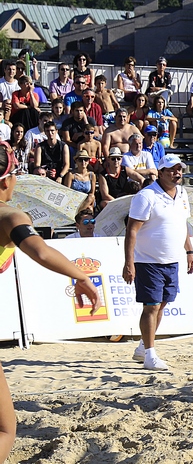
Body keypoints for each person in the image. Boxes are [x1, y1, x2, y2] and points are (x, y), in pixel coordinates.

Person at [0, 142, 101, 460]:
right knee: (5, 429)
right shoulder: (9, 215)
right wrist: (81, 277)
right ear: (7, 179)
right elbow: (40, 250)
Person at [124, 155, 193, 371]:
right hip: (148, 260)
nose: (177, 173)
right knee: (151, 306)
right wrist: (129, 262)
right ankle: (149, 355)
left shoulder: (182, 194)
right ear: (161, 172)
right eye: (172, 170)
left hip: (171, 260)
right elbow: (131, 230)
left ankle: (142, 347)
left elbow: (182, 225)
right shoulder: (146, 196)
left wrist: (190, 251)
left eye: (180, 169)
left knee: (162, 304)